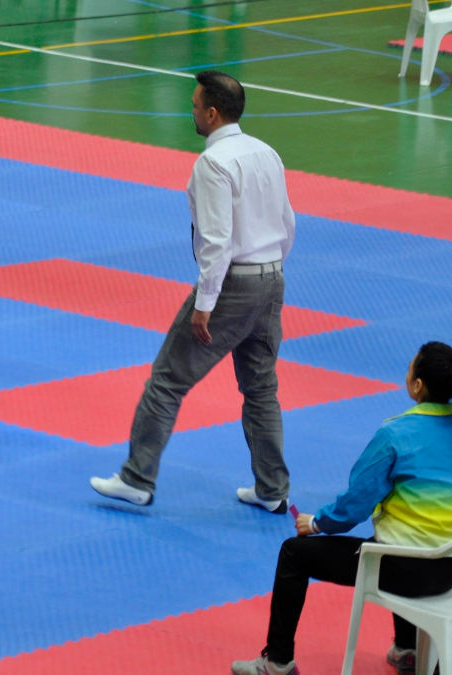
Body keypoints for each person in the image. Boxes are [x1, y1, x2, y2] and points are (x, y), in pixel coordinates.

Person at [230, 342, 452, 675]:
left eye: (410, 367)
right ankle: (407, 649)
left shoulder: (395, 435)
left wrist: (316, 523)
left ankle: (276, 661)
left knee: (295, 553)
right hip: (450, 568)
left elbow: (354, 508)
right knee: (403, 536)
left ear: (418, 385)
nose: (406, 372)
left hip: (405, 571)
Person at [90, 70, 296, 510]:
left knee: (166, 380)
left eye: (195, 105)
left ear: (213, 112)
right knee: (261, 389)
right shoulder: (267, 153)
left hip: (233, 283)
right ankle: (272, 490)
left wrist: (206, 302)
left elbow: (217, 241)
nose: (192, 111)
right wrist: (270, 272)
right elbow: (287, 223)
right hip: (271, 278)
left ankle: (137, 478)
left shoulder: (213, 163)